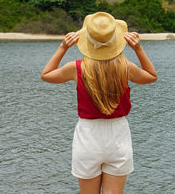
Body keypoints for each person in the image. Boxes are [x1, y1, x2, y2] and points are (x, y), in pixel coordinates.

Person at [41, 12, 157, 194]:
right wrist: (138, 49)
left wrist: (63, 47)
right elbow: (151, 76)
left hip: (88, 136)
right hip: (118, 135)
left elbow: (46, 75)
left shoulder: (77, 68)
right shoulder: (126, 67)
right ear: (116, 39)